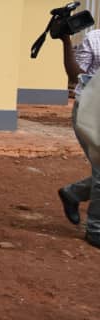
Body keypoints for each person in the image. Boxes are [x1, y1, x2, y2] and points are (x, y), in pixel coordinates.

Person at [55, 27, 100, 247]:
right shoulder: (95, 38)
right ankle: (96, 230)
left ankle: (73, 193)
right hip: (92, 109)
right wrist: (66, 41)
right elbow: (74, 76)